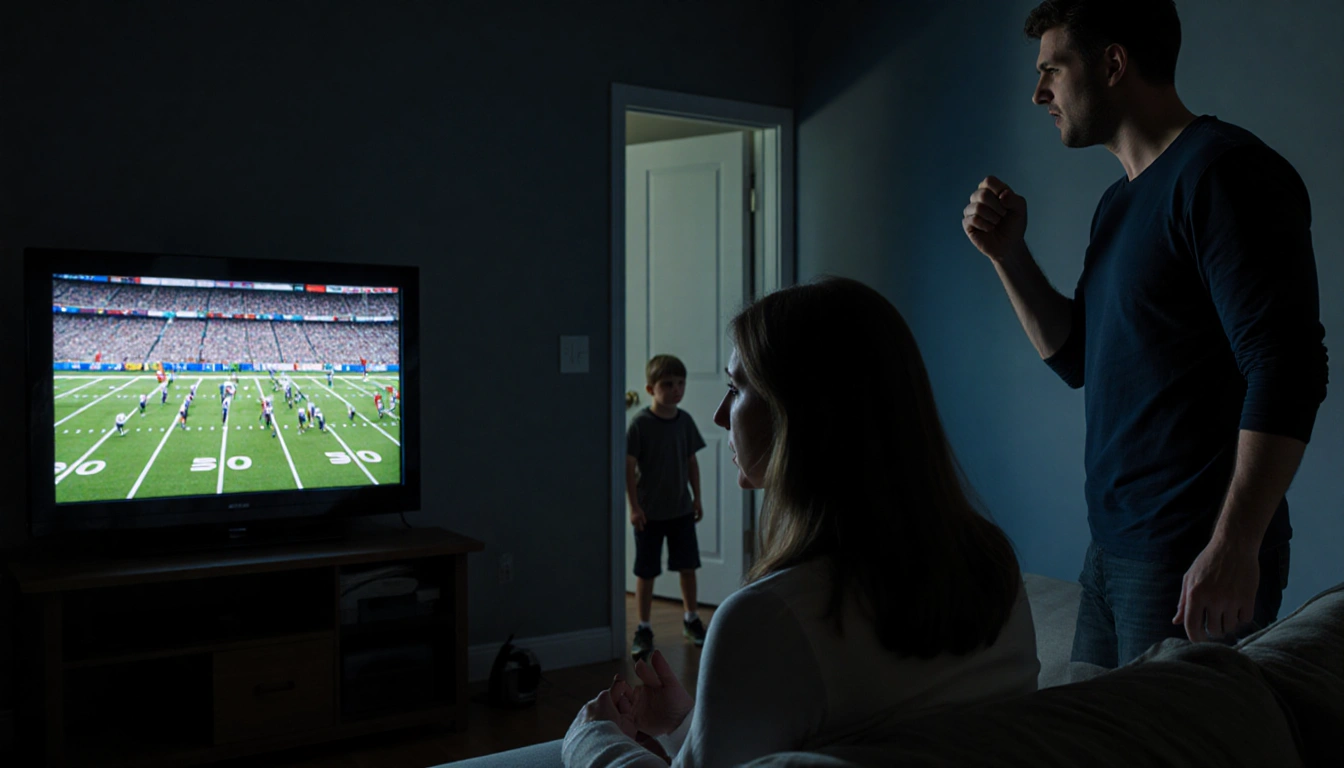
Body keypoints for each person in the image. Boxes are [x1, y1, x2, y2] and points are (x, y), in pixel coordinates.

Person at [961, 0, 1328, 668]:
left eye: (1052, 70)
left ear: (1113, 64)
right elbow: (1078, 357)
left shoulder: (1223, 173)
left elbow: (1288, 369)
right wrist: (1007, 255)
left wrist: (1235, 544)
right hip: (1112, 552)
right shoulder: (1119, 200)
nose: (1039, 93)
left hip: (1191, 557)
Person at [555, 277, 1040, 768]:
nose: (720, 415)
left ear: (800, 412)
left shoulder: (769, 620)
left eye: (735, 388)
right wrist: (686, 723)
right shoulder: (992, 567)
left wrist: (594, 740)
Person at [625, 354, 707, 662]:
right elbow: (628, 467)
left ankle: (691, 619)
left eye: (681, 383)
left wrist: (697, 497)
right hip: (648, 514)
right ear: (650, 389)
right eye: (668, 384)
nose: (676, 390)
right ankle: (643, 628)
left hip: (681, 511)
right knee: (646, 571)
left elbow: (691, 462)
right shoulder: (640, 424)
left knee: (688, 567)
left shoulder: (685, 422)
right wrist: (634, 507)